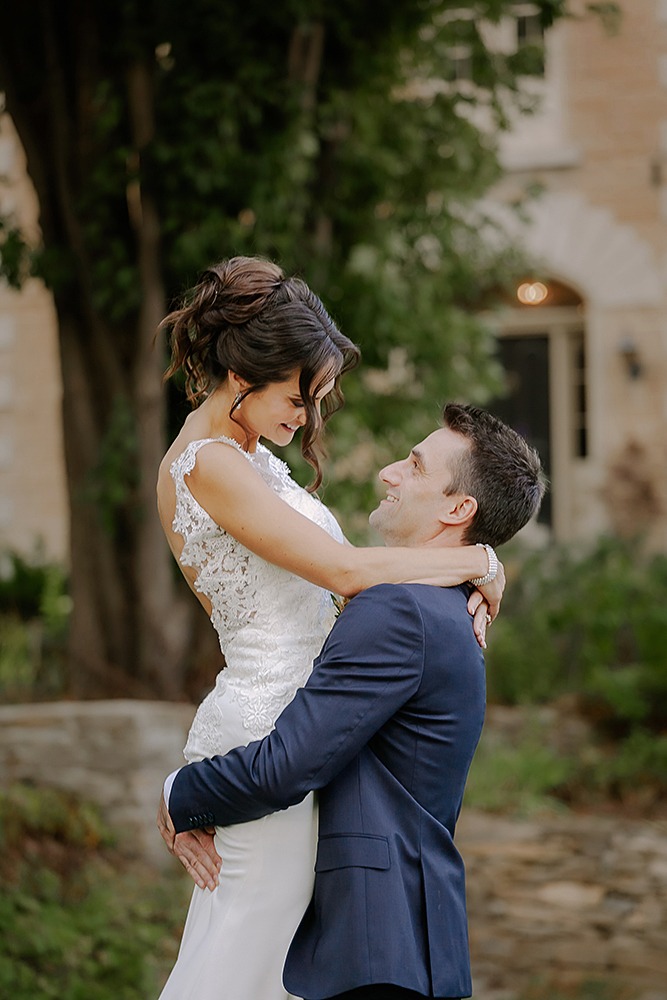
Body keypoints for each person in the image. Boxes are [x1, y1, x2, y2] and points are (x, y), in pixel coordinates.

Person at [154, 256, 505, 1000]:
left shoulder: (250, 455)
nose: (306, 418)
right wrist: (476, 556)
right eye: (296, 396)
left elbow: (342, 583)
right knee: (241, 959)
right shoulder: (206, 464)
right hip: (265, 731)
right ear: (243, 371)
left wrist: (471, 567)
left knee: (273, 959)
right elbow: (343, 574)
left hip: (304, 723)